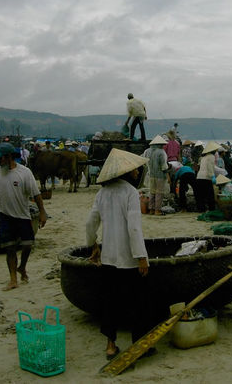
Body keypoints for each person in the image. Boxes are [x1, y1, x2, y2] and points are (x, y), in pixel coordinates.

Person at [84, 148, 154, 360]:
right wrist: (142, 257)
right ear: (126, 172)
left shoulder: (102, 193)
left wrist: (93, 246)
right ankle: (140, 345)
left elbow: (90, 223)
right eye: (133, 169)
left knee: (110, 302)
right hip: (128, 259)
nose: (136, 172)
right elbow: (134, 228)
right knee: (138, 302)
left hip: (109, 258)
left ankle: (110, 345)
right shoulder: (130, 193)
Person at [0, 142, 48, 290]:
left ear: (9, 157)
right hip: (5, 215)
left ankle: (22, 267)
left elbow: (36, 195)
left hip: (23, 216)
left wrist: (42, 212)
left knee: (27, 245)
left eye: (1, 158)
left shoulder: (24, 173)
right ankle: (13, 279)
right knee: (10, 248)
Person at [195, 141, 219, 212]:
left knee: (201, 195)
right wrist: (212, 176)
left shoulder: (203, 157)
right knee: (210, 195)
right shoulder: (211, 157)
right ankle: (212, 209)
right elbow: (210, 167)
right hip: (206, 177)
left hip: (199, 177)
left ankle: (201, 209)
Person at [148, 135, 169, 215]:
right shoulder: (161, 152)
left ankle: (151, 209)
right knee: (159, 193)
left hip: (151, 175)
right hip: (160, 175)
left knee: (152, 192)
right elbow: (164, 166)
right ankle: (157, 210)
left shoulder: (149, 152)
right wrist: (168, 176)